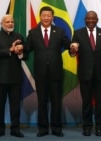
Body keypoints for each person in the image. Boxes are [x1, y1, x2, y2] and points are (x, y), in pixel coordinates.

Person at [25, 6, 71, 137]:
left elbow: (67, 44)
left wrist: (72, 47)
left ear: (52, 17)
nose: (46, 18)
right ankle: (43, 129)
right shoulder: (33, 32)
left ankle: (56, 128)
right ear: (40, 16)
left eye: (48, 16)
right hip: (40, 73)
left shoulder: (60, 31)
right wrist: (20, 49)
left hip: (56, 72)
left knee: (56, 102)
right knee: (42, 102)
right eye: (44, 15)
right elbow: (27, 48)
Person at [0, 14, 27, 138]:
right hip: (0, 77)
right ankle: (0, 129)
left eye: (12, 22)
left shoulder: (19, 36)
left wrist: (21, 52)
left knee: (15, 105)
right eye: (7, 22)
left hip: (15, 77)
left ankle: (15, 129)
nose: (10, 24)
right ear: (2, 24)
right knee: (0, 105)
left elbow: (25, 56)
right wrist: (10, 50)